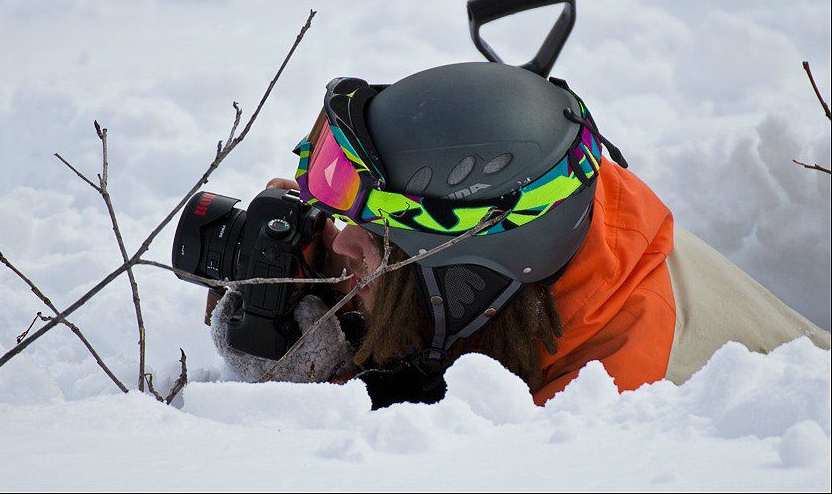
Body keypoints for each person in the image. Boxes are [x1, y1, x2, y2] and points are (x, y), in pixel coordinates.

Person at [210, 61, 831, 408]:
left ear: (468, 276)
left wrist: (315, 392)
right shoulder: (565, 217)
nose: (341, 244)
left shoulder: (613, 411)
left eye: (373, 239)